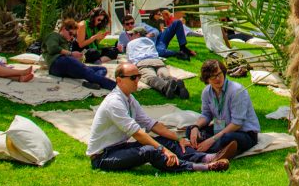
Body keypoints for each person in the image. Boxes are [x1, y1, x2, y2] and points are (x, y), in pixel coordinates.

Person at [86, 62, 233, 173]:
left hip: (120, 147)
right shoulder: (114, 103)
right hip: (103, 157)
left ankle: (207, 157)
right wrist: (163, 150)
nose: (137, 80)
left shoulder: (129, 99)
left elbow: (151, 124)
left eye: (138, 76)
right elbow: (137, 133)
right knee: (151, 150)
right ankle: (202, 167)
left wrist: (178, 139)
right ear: (119, 80)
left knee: (165, 140)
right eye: (133, 78)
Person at [187, 59, 261, 157]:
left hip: (244, 133)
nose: (218, 78)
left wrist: (212, 139)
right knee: (190, 130)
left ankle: (206, 149)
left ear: (224, 72)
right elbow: (206, 115)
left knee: (227, 138)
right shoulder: (206, 92)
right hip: (221, 128)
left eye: (219, 74)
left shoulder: (237, 91)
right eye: (213, 76)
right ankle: (219, 149)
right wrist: (195, 127)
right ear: (207, 79)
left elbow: (237, 124)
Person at [43, 19, 116, 90]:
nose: (71, 37)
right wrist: (71, 54)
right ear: (64, 29)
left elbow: (68, 58)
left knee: (102, 69)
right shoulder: (54, 35)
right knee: (87, 72)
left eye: (73, 36)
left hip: (63, 66)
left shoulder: (65, 42)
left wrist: (77, 58)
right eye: (71, 34)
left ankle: (93, 82)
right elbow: (52, 48)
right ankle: (116, 87)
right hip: (56, 63)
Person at [126, 26, 190, 99]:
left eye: (131, 34)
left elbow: (129, 60)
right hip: (157, 61)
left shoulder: (130, 43)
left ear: (137, 34)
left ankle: (165, 87)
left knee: (150, 77)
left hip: (142, 63)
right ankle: (177, 85)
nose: (130, 36)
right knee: (165, 75)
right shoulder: (150, 41)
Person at [117, 14, 195, 60]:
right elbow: (122, 48)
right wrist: (121, 49)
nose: (130, 25)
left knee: (177, 22)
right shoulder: (123, 36)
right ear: (123, 25)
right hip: (154, 47)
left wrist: (150, 35)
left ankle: (183, 47)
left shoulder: (141, 25)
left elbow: (156, 31)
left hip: (160, 38)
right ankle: (177, 53)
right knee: (159, 52)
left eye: (132, 23)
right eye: (127, 24)